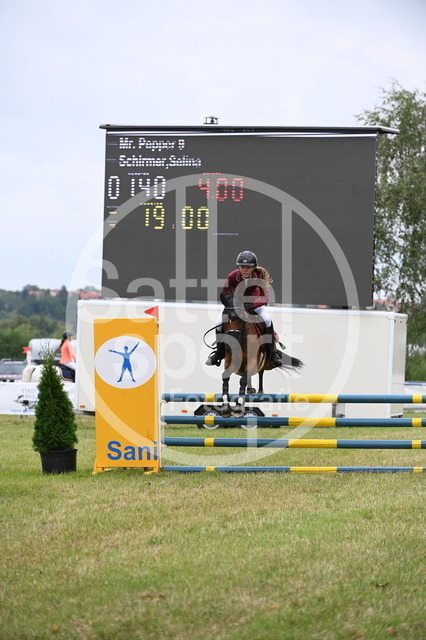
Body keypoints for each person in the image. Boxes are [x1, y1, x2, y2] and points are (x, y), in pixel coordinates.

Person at [206, 250, 283, 368]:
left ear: (253, 267)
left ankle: (272, 353)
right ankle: (219, 352)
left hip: (253, 303)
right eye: (242, 267)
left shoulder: (258, 277)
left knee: (267, 320)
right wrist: (231, 303)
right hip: (235, 305)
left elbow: (265, 297)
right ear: (238, 267)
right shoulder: (232, 276)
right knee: (218, 322)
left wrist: (252, 304)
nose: (245, 270)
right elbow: (225, 293)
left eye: (248, 267)